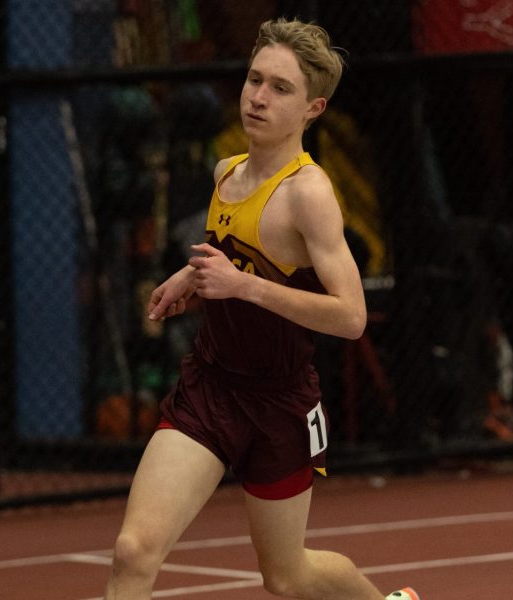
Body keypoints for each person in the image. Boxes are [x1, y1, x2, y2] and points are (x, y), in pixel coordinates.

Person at [103, 18, 420, 600]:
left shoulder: (310, 195)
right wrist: (190, 277)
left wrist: (241, 287)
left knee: (286, 577)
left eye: (280, 88)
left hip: (279, 404)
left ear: (313, 108)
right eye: (254, 80)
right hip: (209, 389)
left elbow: (349, 316)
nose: (258, 96)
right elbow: (234, 255)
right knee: (132, 552)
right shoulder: (226, 171)